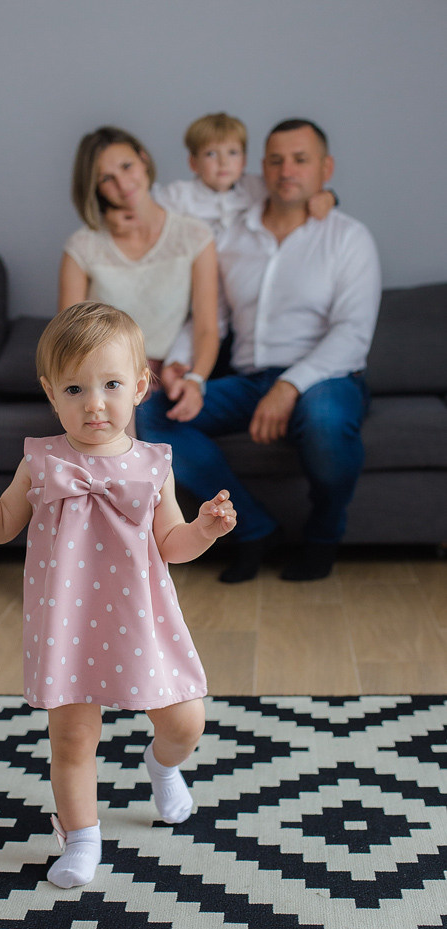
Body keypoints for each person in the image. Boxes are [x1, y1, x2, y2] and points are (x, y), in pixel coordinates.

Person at [0, 302, 236, 888]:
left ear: (141, 386)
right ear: (51, 394)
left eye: (112, 384)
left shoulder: (153, 465)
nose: (94, 403)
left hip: (140, 617)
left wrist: (203, 530)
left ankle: (162, 764)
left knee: (185, 721)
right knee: (72, 738)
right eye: (75, 388)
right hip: (67, 621)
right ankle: (80, 836)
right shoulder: (41, 460)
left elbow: (170, 544)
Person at [137, 119, 381, 583]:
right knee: (153, 415)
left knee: (326, 420)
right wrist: (179, 367)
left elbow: (352, 334)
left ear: (325, 168)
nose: (286, 169)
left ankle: (323, 536)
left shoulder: (349, 238)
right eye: (276, 159)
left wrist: (290, 386)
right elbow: (212, 319)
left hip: (327, 380)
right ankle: (254, 528)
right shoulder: (230, 239)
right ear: (261, 169)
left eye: (300, 159)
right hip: (250, 381)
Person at [150, 112, 336, 371]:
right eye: (211, 154)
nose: (223, 162)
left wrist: (329, 196)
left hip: (236, 284)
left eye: (233, 153)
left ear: (245, 160)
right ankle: (180, 368)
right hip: (193, 285)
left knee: (230, 338)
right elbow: (145, 211)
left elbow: (295, 192)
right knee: (195, 328)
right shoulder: (180, 196)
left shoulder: (254, 187)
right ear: (193, 163)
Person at [59, 126, 220, 422]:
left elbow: (207, 328)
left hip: (171, 377)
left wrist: (195, 380)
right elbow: (67, 339)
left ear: (144, 160)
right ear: (95, 188)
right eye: (107, 178)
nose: (123, 184)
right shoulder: (82, 246)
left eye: (127, 166)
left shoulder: (193, 236)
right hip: (101, 384)